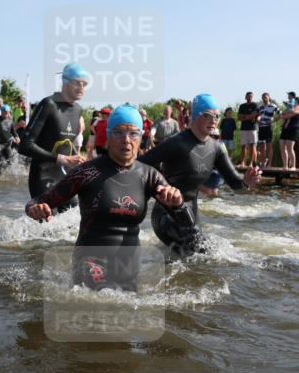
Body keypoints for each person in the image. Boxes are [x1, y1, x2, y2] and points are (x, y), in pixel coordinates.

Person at [25, 105, 183, 291]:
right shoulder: (87, 172)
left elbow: (185, 222)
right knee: (100, 301)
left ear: (141, 137)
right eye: (118, 132)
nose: (126, 140)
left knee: (126, 306)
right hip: (90, 261)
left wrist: (178, 203)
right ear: (108, 136)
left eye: (133, 133)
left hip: (128, 266)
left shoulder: (149, 176)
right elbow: (40, 201)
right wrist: (34, 209)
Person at [139, 93, 260, 256]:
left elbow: (235, 184)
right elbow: (140, 165)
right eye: (208, 115)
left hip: (191, 213)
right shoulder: (176, 142)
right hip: (165, 214)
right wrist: (153, 189)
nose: (214, 120)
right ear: (195, 117)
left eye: (217, 116)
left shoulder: (216, 148)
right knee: (200, 252)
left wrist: (247, 182)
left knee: (206, 254)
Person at [17, 62, 87, 208]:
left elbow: (67, 144)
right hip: (43, 175)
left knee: (75, 219)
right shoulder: (49, 104)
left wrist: (78, 160)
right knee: (49, 221)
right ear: (65, 82)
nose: (81, 88)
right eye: (77, 83)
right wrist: (60, 159)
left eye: (84, 84)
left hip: (65, 177)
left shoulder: (78, 110)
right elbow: (24, 145)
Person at [0, 103, 19, 175]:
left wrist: (17, 136)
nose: (6, 114)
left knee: (10, 161)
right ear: (1, 112)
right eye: (5, 112)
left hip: (7, 144)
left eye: (8, 112)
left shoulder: (10, 121)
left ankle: (4, 173)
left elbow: (13, 131)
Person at [278, 96, 299, 170]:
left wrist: (283, 113)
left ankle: (293, 166)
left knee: (289, 147)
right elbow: (285, 116)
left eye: (294, 100)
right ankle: (285, 166)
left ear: (297, 101)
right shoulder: (291, 108)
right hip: (285, 128)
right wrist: (284, 114)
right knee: (282, 146)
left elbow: (291, 113)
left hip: (293, 129)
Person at [237, 91, 259, 168]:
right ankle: (243, 162)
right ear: (245, 97)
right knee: (243, 146)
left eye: (251, 96)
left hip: (252, 128)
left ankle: (251, 163)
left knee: (252, 146)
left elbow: (254, 115)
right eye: (248, 96)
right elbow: (239, 117)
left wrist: (245, 117)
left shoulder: (255, 105)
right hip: (243, 128)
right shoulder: (242, 106)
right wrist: (249, 117)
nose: (250, 97)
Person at [256, 93, 277, 168]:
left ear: (269, 97)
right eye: (263, 97)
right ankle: (263, 163)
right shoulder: (260, 107)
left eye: (265, 97)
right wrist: (258, 119)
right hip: (261, 127)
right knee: (262, 146)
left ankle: (269, 164)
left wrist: (273, 120)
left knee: (269, 146)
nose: (264, 98)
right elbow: (258, 115)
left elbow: (280, 114)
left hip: (269, 127)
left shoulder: (273, 106)